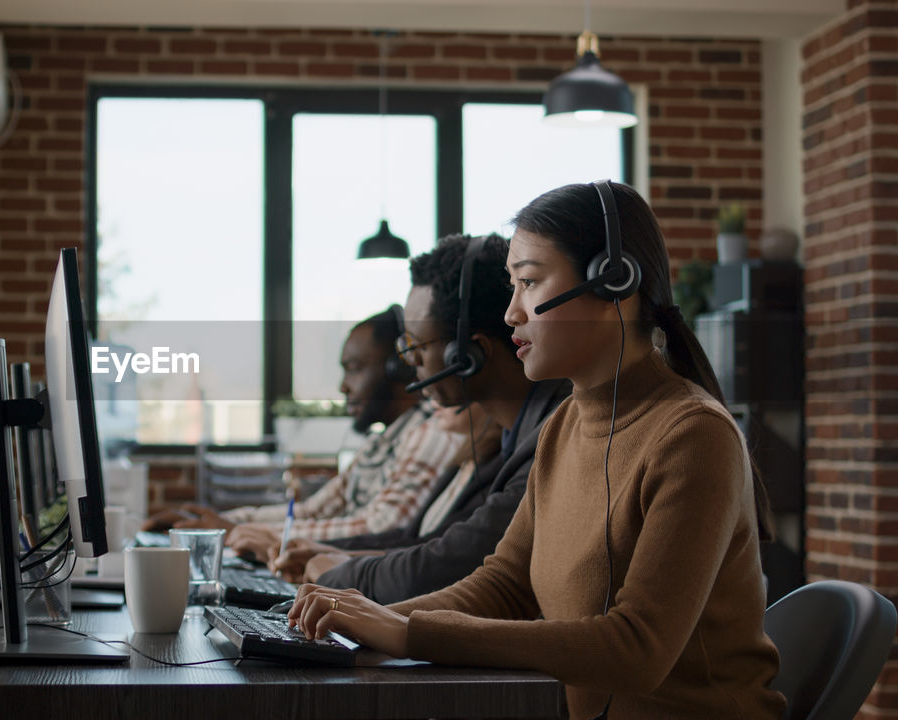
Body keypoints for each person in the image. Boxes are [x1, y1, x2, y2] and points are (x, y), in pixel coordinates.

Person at [288, 182, 784, 719]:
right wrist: (361, 625)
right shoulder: (563, 424)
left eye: (528, 282)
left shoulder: (693, 435)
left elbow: (636, 650)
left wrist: (408, 634)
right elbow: (503, 585)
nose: (510, 313)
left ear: (613, 281)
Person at [268, 233, 571, 605]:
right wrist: (332, 558)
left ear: (466, 354)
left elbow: (447, 566)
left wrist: (336, 572)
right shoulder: (508, 442)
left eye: (415, 347)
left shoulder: (550, 437)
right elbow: (433, 544)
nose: (409, 366)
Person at [144, 309, 465, 558]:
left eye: (354, 368)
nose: (343, 386)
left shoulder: (430, 429)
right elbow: (314, 510)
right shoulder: (382, 441)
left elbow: (380, 527)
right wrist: (215, 523)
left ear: (401, 369)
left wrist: (240, 532)